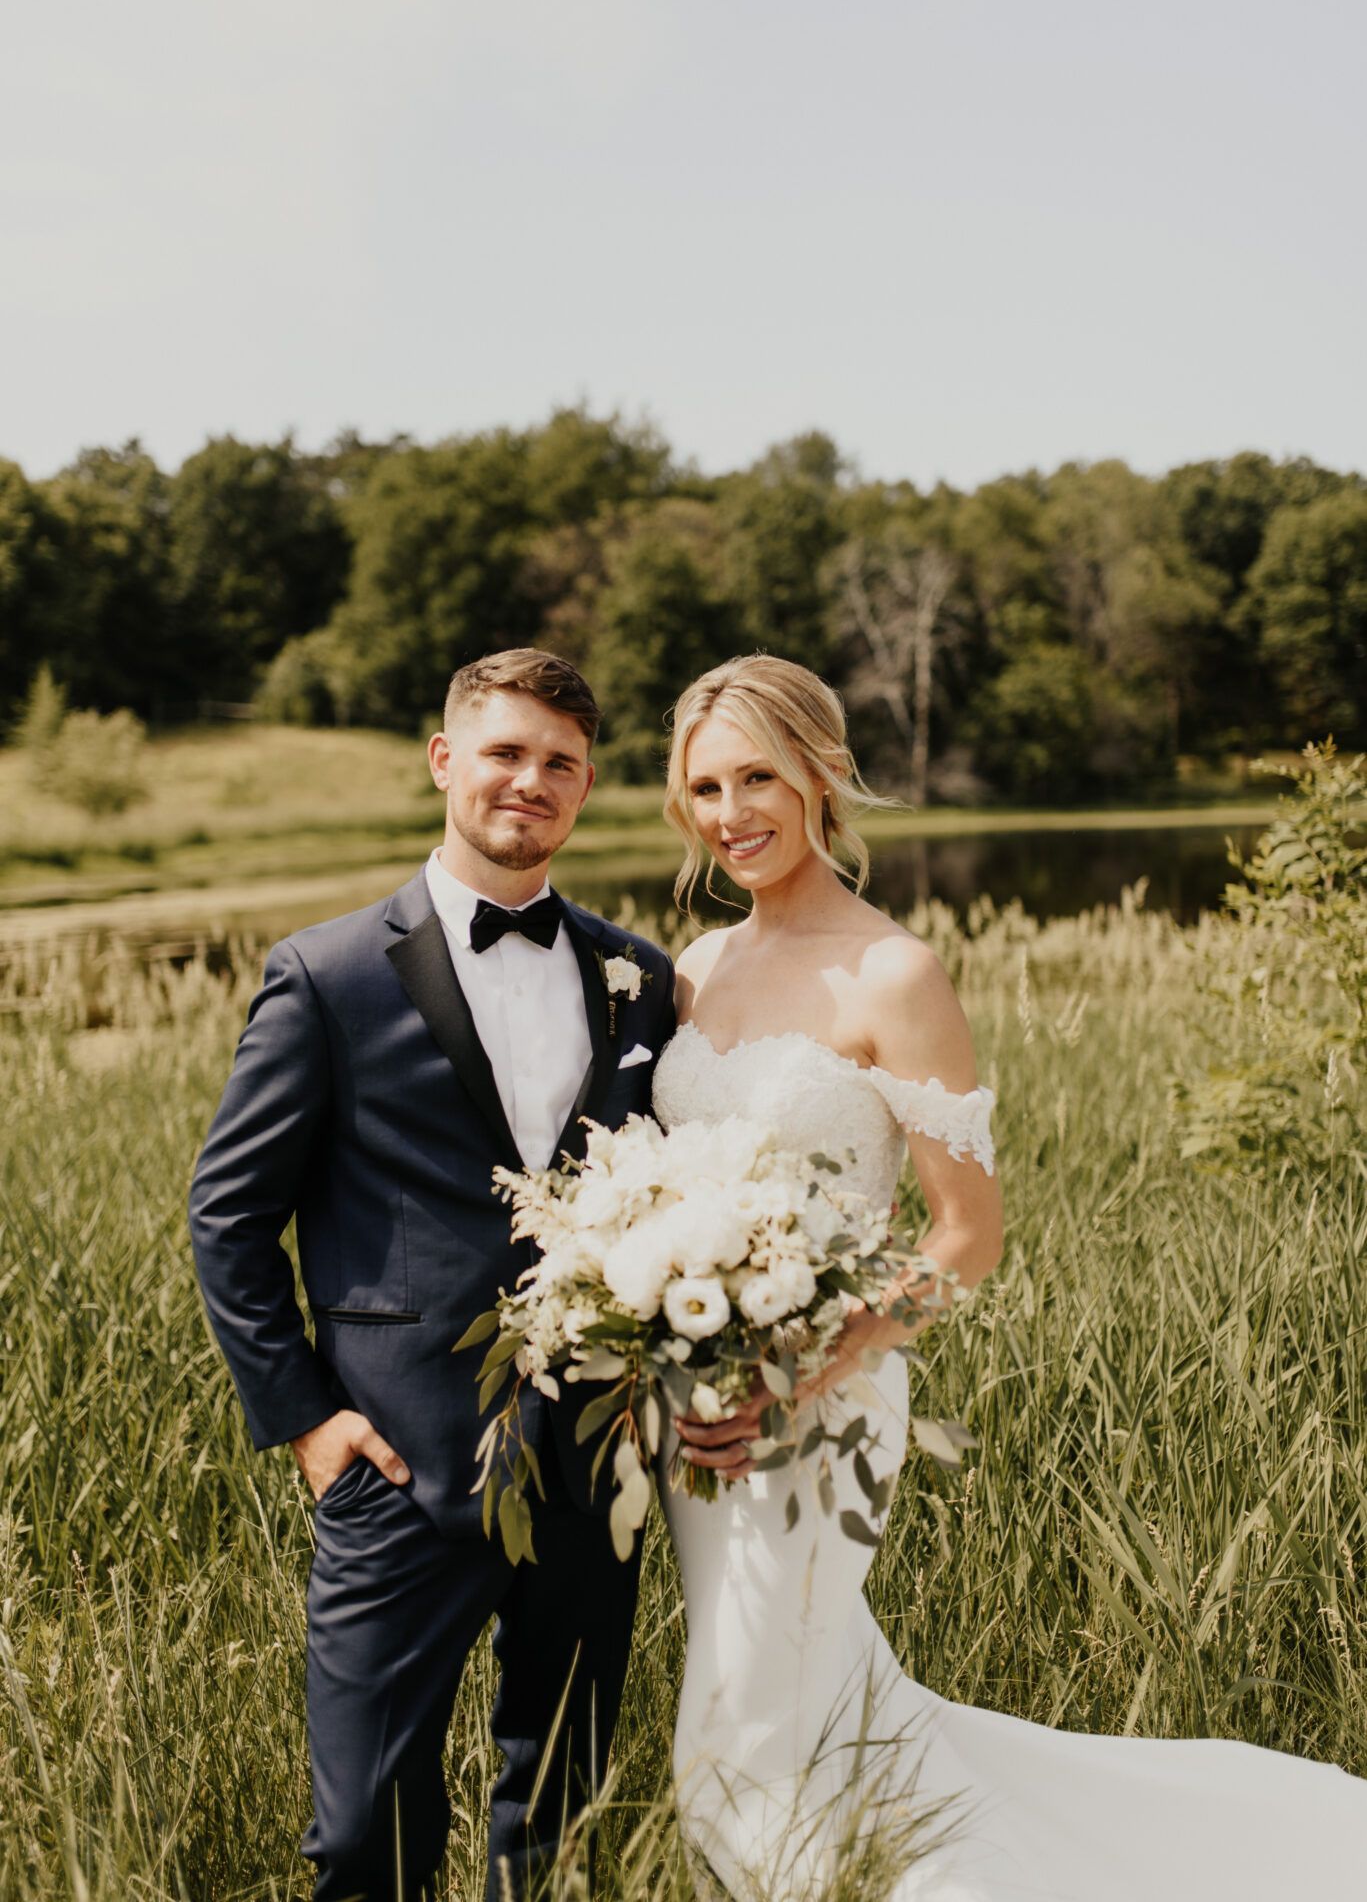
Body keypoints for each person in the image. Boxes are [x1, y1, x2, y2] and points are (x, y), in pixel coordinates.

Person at [650, 653, 1366, 1900]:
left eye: (757, 773)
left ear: (822, 770)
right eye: (704, 785)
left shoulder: (893, 972)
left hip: (825, 1401)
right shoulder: (691, 967)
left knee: (738, 1740)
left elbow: (965, 1234)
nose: (730, 812)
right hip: (696, 1412)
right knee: (817, 1719)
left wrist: (817, 1360)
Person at [188, 649, 675, 1902]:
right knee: (360, 1837)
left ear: (584, 786)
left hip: (586, 1459)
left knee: (560, 1818)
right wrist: (303, 1417)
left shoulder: (639, 978)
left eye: (559, 762)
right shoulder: (330, 973)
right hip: (397, 1467)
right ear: (444, 758)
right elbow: (229, 1213)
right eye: (505, 751)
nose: (531, 780)